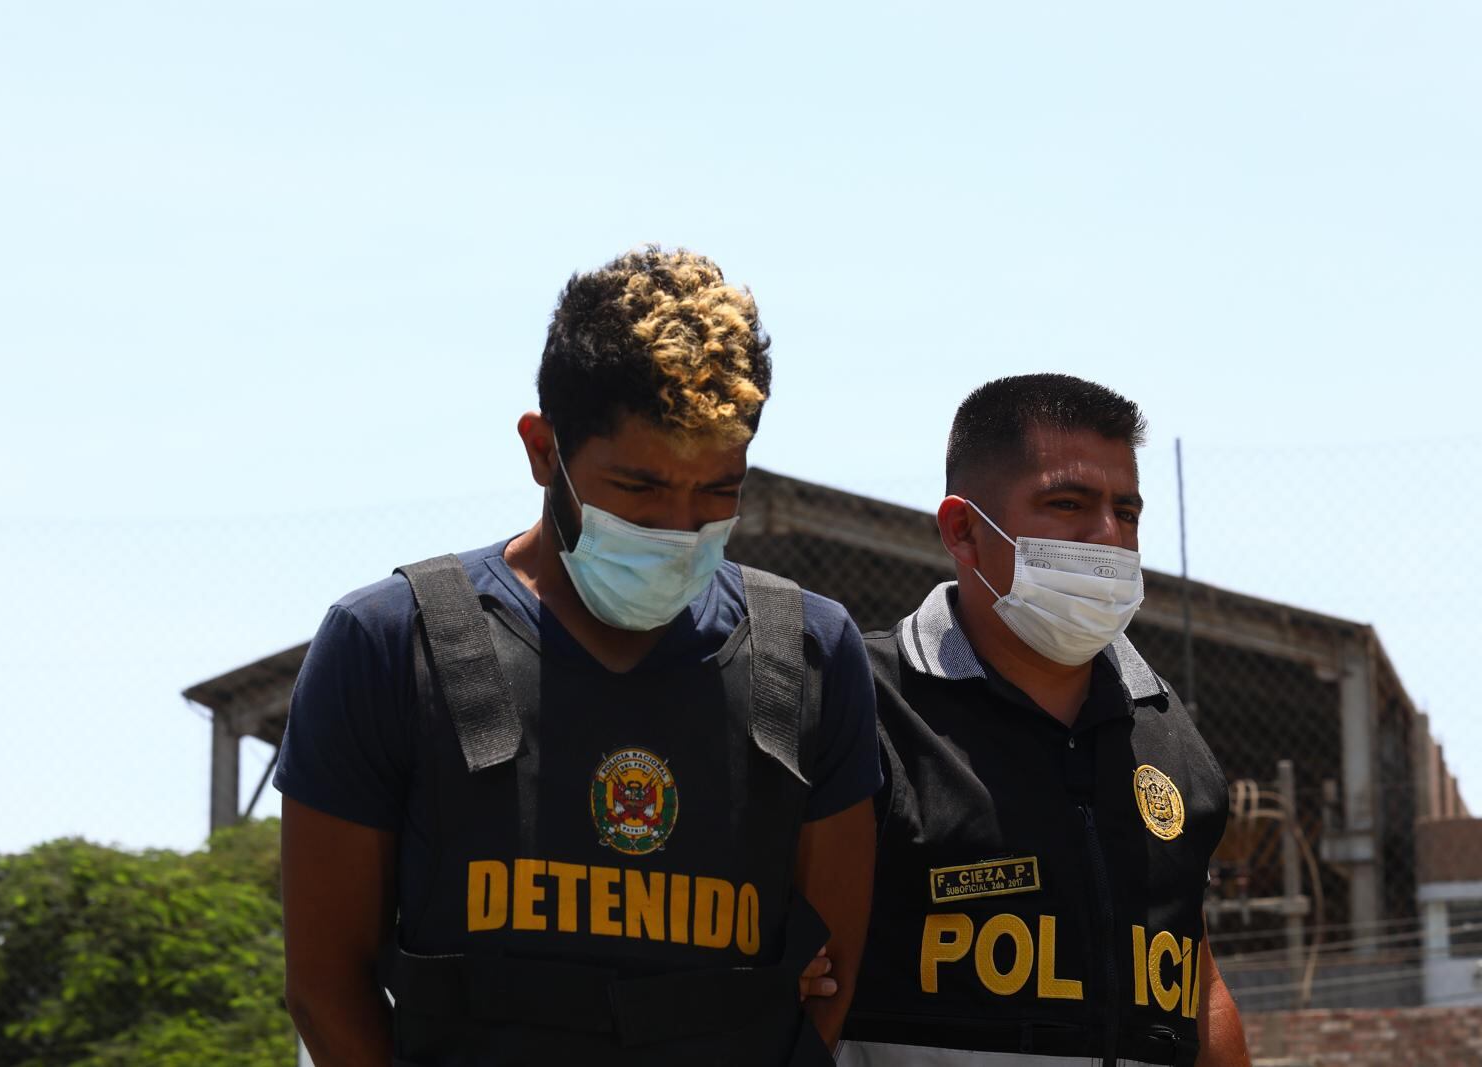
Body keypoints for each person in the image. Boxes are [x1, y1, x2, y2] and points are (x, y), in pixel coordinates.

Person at [275, 247, 880, 1066]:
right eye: (639, 489)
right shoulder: (388, 644)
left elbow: (831, 980)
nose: (678, 528)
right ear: (541, 449)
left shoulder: (809, 652)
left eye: (717, 492)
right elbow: (324, 980)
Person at [840, 374, 1249, 1067]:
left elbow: (1199, 978)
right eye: (1069, 503)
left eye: (1127, 511)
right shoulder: (863, 710)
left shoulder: (1168, 730)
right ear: (963, 530)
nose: (1109, 536)